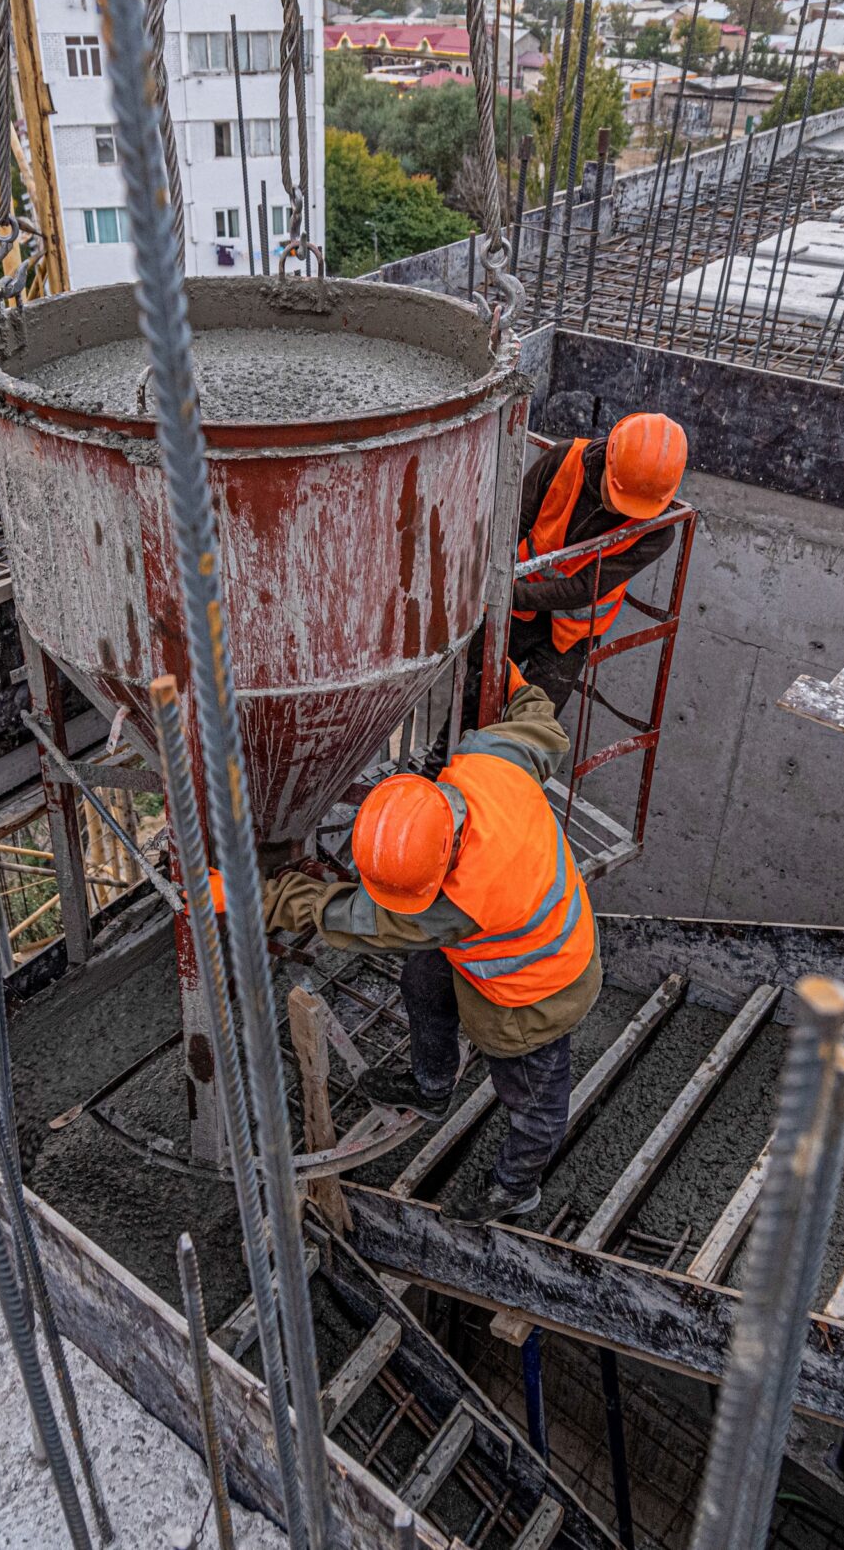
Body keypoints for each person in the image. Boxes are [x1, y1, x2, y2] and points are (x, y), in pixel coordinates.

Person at [263, 669, 594, 1226]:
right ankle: (431, 1085)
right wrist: (512, 679)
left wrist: (263, 895)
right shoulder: (492, 761)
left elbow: (351, 917)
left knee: (533, 1095)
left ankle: (516, 1185)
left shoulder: (457, 902)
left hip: (538, 986)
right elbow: (542, 723)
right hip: (517, 932)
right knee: (423, 977)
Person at [506, 411, 689, 702]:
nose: (617, 510)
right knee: (474, 692)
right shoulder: (564, 459)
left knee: (530, 724)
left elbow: (584, 587)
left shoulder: (657, 532)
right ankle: (444, 750)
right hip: (515, 607)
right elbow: (513, 523)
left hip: (568, 633)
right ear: (608, 457)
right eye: (614, 495)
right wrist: (497, 588)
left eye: (630, 507)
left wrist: (510, 594)